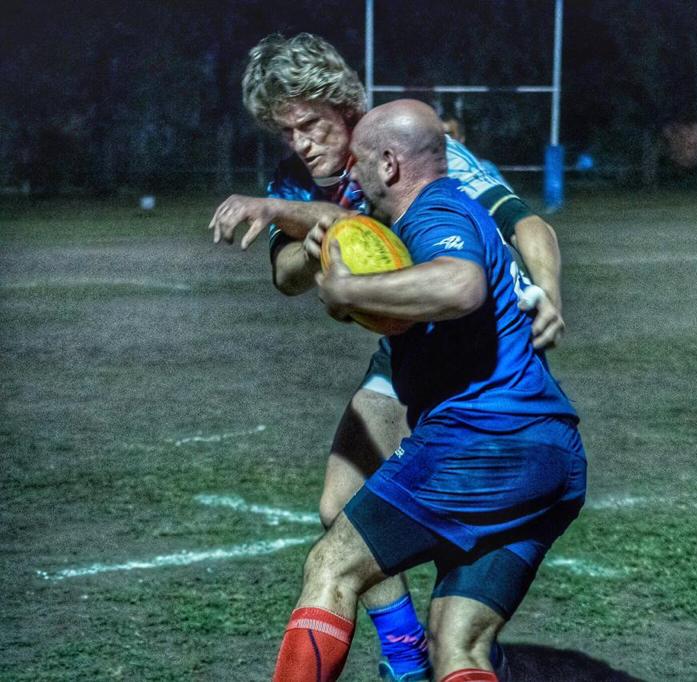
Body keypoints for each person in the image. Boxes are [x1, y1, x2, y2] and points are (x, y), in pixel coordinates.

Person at [207, 33, 566, 680]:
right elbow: (286, 274)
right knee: (336, 507)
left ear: (344, 107)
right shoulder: (293, 176)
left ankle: (426, 650)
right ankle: (409, 656)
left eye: (311, 124)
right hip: (406, 350)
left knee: (358, 549)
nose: (301, 143)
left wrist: (546, 292)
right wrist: (314, 240)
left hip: (472, 349)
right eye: (285, 131)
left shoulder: (419, 154)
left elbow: (528, 227)